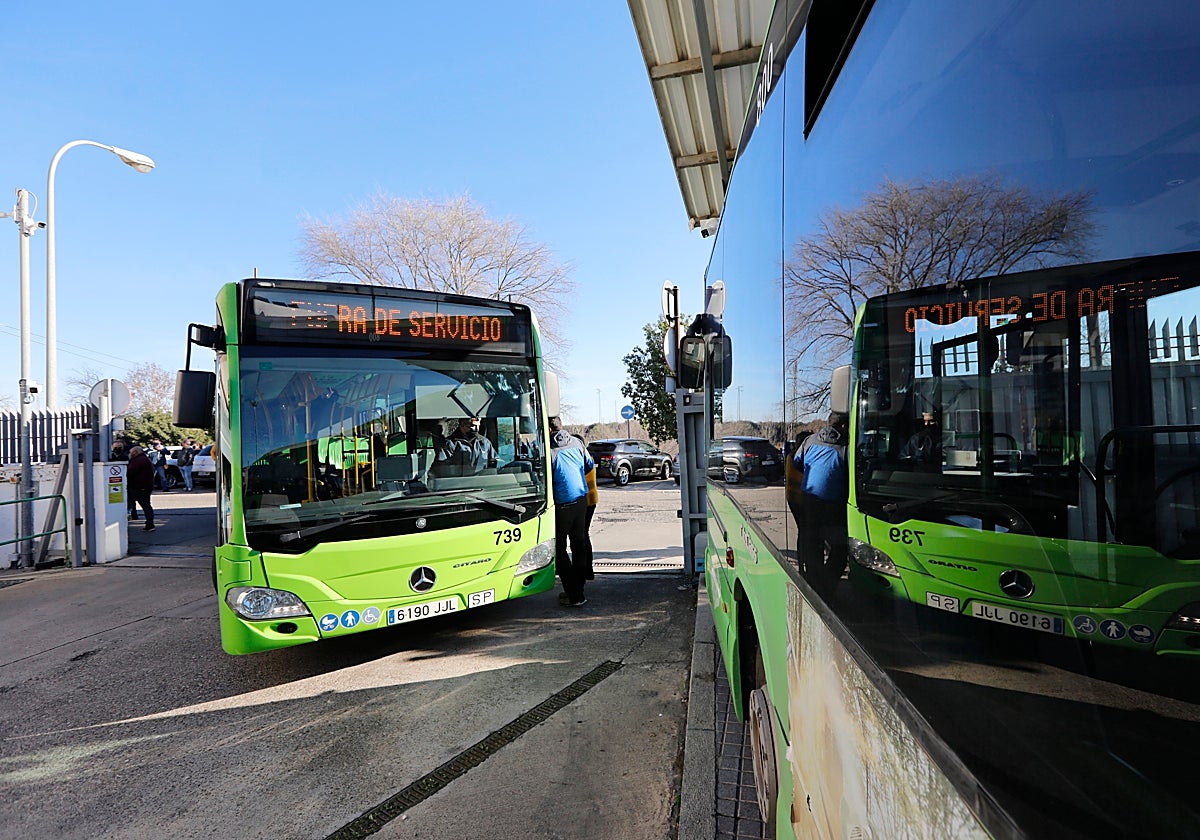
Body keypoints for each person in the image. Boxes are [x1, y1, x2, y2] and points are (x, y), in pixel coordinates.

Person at [792, 412, 849, 598]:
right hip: (834, 504)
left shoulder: (809, 440)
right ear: (843, 426)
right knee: (840, 549)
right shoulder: (845, 446)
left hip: (809, 500)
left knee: (813, 544)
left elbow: (797, 462)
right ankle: (826, 588)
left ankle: (814, 587)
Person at [550, 418, 594, 607]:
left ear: (548, 429)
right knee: (578, 544)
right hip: (581, 500)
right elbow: (589, 465)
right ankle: (579, 587)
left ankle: (574, 595)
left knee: (557, 550)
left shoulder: (548, 449)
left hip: (562, 504)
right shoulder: (577, 442)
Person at [572, 431, 598, 582]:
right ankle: (589, 570)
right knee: (584, 534)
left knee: (582, 535)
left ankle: (586, 570)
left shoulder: (581, 457)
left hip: (585, 500)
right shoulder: (587, 456)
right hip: (592, 499)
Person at [127, 445, 156, 531]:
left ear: (135, 452)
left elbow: (130, 472)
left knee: (127, 505)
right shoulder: (144, 459)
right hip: (145, 486)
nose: (130, 454)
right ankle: (150, 524)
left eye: (131, 453)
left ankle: (122, 524)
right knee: (146, 506)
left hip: (137, 486)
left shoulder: (138, 461)